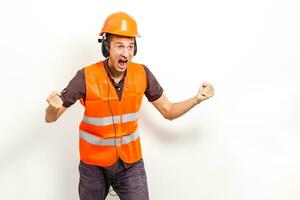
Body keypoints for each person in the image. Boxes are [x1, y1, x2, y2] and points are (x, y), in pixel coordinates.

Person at [45, 11, 214, 200]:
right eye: (119, 46)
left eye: (131, 46)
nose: (126, 53)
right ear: (106, 47)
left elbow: (168, 111)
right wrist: (52, 107)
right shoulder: (85, 76)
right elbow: (51, 118)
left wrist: (196, 99)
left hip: (130, 164)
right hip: (93, 166)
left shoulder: (142, 74)